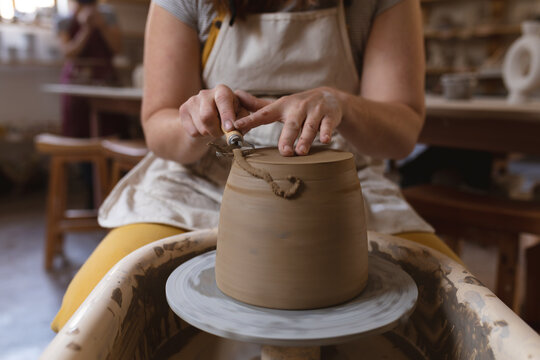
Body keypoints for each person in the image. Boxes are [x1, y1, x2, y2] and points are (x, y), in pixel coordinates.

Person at [51, 0, 462, 332]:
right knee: (91, 315)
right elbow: (158, 125)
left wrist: (344, 104)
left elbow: (402, 133)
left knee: (454, 311)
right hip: (201, 178)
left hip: (342, 184)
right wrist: (194, 122)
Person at [57, 0, 123, 138]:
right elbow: (68, 53)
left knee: (110, 127)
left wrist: (102, 25)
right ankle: (79, 159)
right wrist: (86, 29)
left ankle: (108, 158)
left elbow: (118, 48)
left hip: (105, 80)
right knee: (77, 129)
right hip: (76, 82)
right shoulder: (64, 19)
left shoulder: (108, 15)